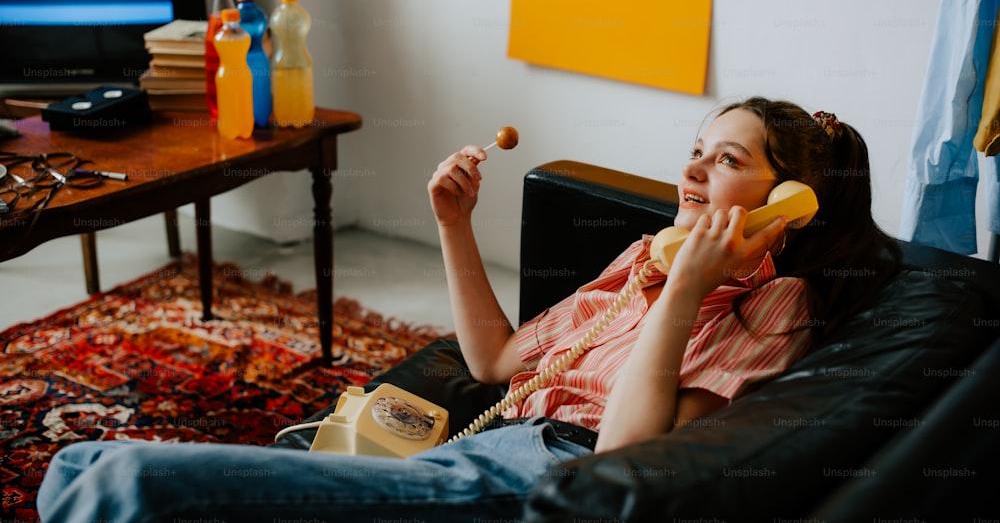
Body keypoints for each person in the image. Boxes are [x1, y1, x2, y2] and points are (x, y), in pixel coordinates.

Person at [36, 96, 901, 522]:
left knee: (120, 481)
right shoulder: (647, 259)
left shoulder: (776, 301)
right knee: (76, 467)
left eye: (726, 162)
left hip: (543, 484)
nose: (692, 174)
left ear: (789, 201)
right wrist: (454, 225)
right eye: (695, 153)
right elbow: (497, 364)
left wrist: (682, 294)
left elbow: (627, 459)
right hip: (490, 444)